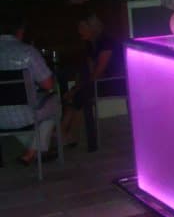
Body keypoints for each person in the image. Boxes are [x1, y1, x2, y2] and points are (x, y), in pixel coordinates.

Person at [0, 11, 60, 165]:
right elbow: (48, 85)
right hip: (24, 116)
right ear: (20, 30)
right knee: (54, 102)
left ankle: (34, 149)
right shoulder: (27, 52)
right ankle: (33, 152)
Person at [60, 13, 121, 151]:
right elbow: (90, 71)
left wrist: (77, 89)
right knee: (75, 94)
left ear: (92, 28)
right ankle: (65, 134)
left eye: (82, 27)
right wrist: (77, 86)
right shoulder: (90, 44)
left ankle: (63, 133)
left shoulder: (106, 42)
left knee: (80, 94)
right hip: (101, 81)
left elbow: (99, 71)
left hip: (115, 82)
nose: (79, 31)